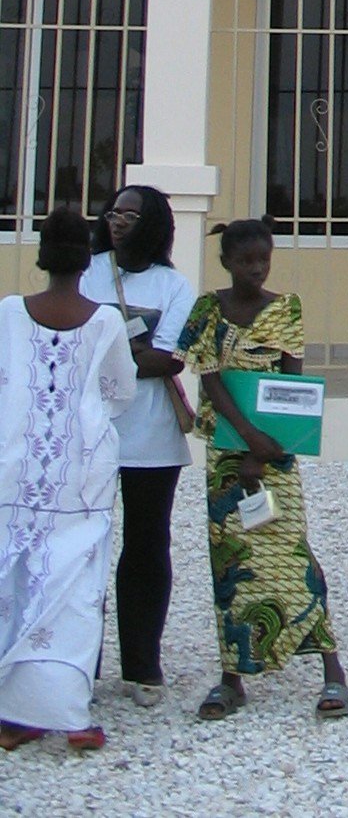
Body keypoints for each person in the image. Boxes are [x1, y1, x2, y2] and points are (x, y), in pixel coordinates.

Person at [179, 216, 348, 720]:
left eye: (264, 260)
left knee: (292, 555)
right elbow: (209, 381)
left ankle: (333, 671)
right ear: (227, 261)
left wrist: (263, 448)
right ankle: (232, 677)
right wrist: (244, 440)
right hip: (227, 456)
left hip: (274, 454)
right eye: (246, 261)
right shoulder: (208, 310)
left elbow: (292, 386)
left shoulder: (286, 310)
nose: (256, 269)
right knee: (232, 564)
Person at [0, 206, 136, 752]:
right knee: (75, 591)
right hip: (80, 477)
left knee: (14, 583)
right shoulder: (104, 319)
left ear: (41, 258)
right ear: (87, 261)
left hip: (13, 468)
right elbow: (120, 391)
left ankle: (13, 714)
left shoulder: (9, 312)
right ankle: (68, 714)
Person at [81, 184, 195, 706]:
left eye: (130, 213)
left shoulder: (175, 286)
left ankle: (142, 665)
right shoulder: (88, 272)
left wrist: (108, 354)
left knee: (147, 546)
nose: (117, 220)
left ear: (153, 222)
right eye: (113, 211)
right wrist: (132, 354)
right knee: (83, 549)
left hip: (151, 437)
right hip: (88, 434)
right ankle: (80, 662)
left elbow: (167, 360)